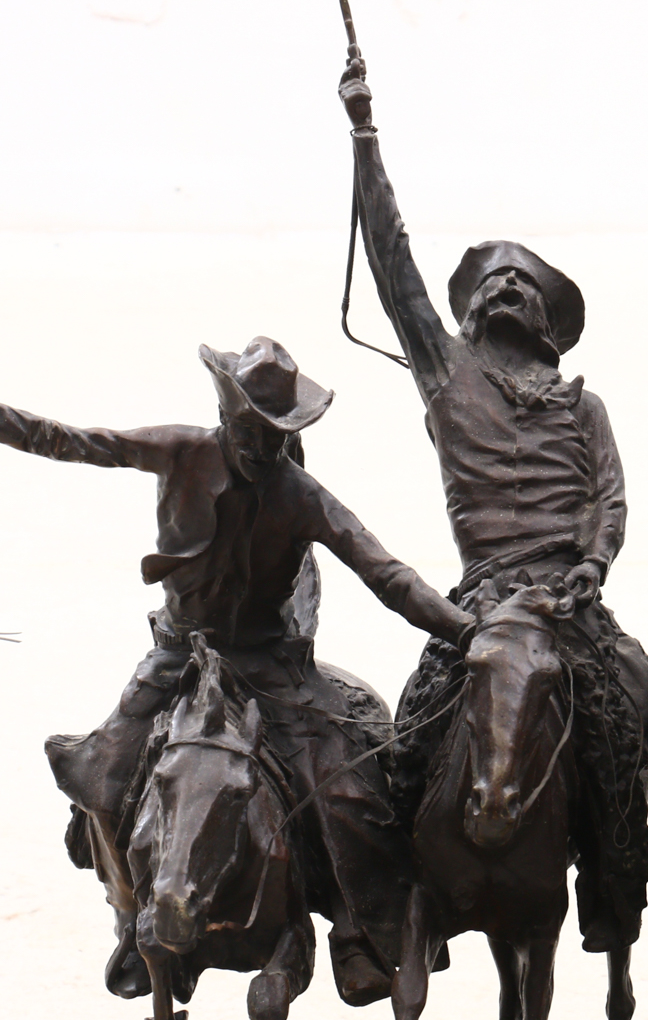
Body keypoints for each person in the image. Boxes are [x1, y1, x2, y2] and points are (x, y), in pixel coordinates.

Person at [6, 337, 471, 1006]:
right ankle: (133, 919)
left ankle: (358, 931)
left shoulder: (300, 494)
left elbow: (387, 574)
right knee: (101, 776)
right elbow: (72, 441)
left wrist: (462, 629)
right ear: (225, 414)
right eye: (252, 429)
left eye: (277, 434)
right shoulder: (179, 451)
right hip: (177, 656)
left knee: (348, 789)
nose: (263, 445)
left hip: (270, 665)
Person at [338, 48, 648, 954]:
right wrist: (365, 136)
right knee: (411, 737)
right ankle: (399, 903)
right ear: (471, 312)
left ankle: (613, 882)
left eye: (526, 282)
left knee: (631, 701)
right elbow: (394, 265)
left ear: (548, 323)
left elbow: (609, 499)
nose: (510, 285)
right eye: (495, 279)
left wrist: (594, 564)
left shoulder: (583, 405)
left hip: (569, 601)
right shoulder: (446, 375)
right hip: (478, 601)